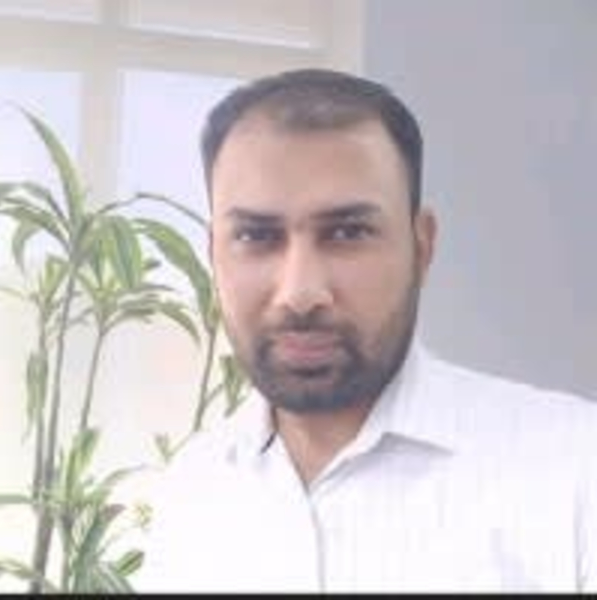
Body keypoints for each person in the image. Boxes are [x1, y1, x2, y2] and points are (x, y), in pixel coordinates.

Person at [136, 68, 597, 593]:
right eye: (256, 236)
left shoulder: (576, 469)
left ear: (421, 247)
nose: (300, 292)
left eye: (347, 232)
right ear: (214, 254)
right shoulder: (191, 491)